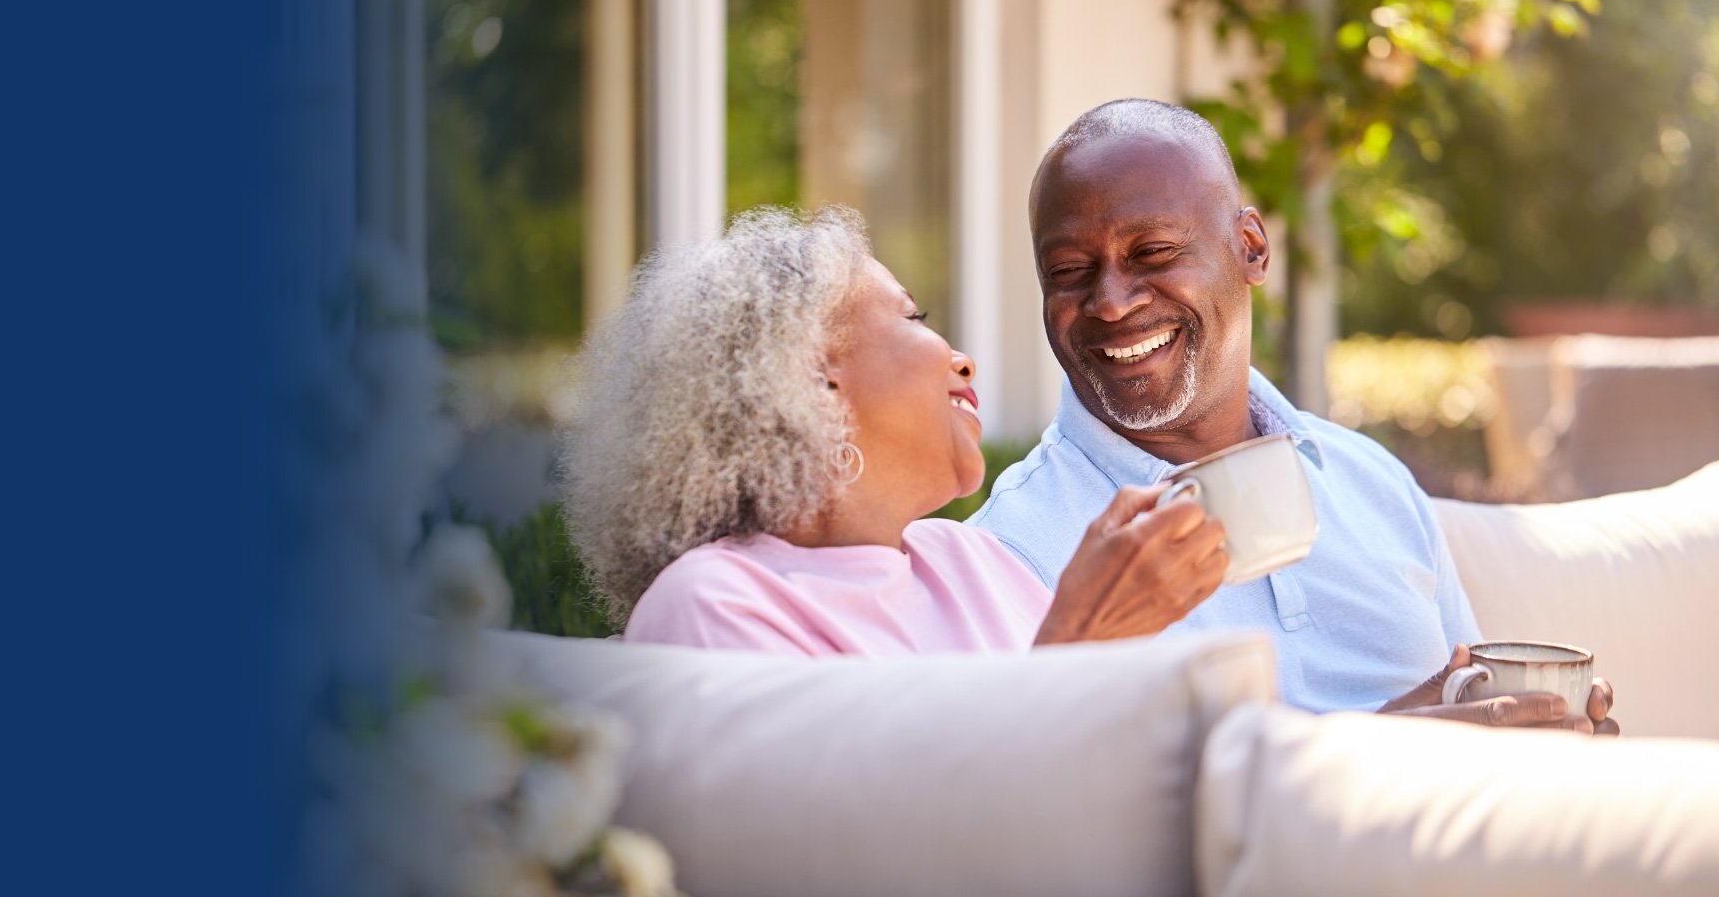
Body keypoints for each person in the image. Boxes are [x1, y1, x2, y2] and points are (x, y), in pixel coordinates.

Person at [969, 98, 1616, 733]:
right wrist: (1377, 754)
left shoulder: (1370, 481)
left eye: (1154, 252)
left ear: (1250, 248)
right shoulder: (1014, 548)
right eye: (1070, 270)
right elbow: (1052, 815)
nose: (1109, 302)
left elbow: (1469, 697)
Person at [562, 206, 1229, 656]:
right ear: (811, 380)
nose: (962, 359)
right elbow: (847, 850)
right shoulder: (714, 604)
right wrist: (1082, 643)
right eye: (913, 318)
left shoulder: (975, 561)